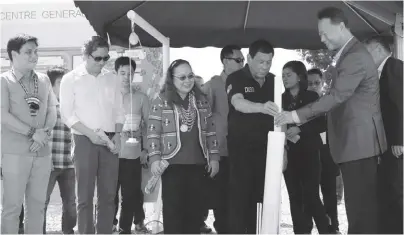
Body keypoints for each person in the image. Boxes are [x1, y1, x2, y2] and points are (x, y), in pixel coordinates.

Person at [275, 7, 387, 234]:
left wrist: (295, 115)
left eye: (325, 33)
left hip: (359, 144)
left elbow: (336, 96)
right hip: (355, 144)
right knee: (358, 210)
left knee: (360, 213)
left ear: (341, 27)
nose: (321, 38)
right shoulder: (349, 54)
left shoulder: (354, 56)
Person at [60, 36, 125, 234]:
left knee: (108, 195)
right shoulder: (70, 79)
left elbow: (120, 110)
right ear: (85, 56)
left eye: (106, 58)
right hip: (83, 140)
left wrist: (118, 134)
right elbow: (67, 115)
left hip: (110, 139)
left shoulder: (112, 79)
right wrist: (90, 134)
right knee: (85, 197)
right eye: (97, 58)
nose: (102, 62)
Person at [147, 59, 220, 234]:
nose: (187, 80)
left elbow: (211, 131)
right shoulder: (161, 100)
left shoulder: (202, 101)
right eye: (182, 77)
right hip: (171, 166)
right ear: (171, 79)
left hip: (198, 165)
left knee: (194, 215)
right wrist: (155, 159)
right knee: (173, 214)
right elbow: (152, 132)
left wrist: (215, 158)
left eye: (190, 76)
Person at [1, 34, 58, 234]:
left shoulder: (43, 80)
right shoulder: (4, 81)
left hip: (41, 153)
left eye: (36, 52)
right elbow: (3, 115)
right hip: (14, 153)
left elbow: (52, 110)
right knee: (12, 208)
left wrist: (44, 134)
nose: (34, 56)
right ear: (14, 54)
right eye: (28, 52)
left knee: (37, 207)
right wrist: (33, 133)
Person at [225, 39, 279, 234]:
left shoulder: (275, 81)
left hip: (268, 153)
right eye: (260, 61)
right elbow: (238, 103)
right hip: (241, 151)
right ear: (249, 58)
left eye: (269, 62)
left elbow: (281, 118)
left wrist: (284, 153)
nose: (265, 67)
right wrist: (262, 107)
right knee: (240, 199)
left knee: (265, 200)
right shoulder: (236, 78)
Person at [198, 45, 244, 234]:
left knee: (238, 196)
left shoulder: (244, 82)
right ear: (226, 61)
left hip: (241, 150)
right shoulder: (214, 84)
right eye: (239, 60)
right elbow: (201, 114)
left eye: (243, 60)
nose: (243, 64)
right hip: (221, 151)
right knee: (220, 196)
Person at [282, 61, 330, 234]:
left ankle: (327, 230)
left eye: (288, 75)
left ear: (299, 76)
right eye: (283, 75)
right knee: (294, 196)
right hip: (290, 154)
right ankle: (300, 231)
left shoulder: (311, 97)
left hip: (310, 152)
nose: (284, 78)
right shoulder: (280, 98)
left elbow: (321, 124)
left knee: (311, 195)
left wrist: (299, 129)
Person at [364, 35, 403, 234]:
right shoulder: (383, 71)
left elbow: (400, 104)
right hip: (384, 141)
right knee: (387, 186)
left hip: (394, 141)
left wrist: (399, 139)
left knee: (395, 187)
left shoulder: (394, 67)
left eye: (367, 52)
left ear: (378, 50)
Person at [112, 56, 150, 234]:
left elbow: (150, 126)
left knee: (130, 196)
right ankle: (107, 225)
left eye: (130, 73)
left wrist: (146, 149)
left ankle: (124, 229)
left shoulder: (141, 98)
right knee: (109, 195)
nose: (126, 76)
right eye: (122, 73)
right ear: (116, 73)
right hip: (109, 153)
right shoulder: (107, 97)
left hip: (133, 155)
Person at [43, 66, 77, 234]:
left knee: (71, 204)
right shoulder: (44, 108)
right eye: (59, 83)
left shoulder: (72, 107)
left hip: (69, 165)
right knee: (42, 202)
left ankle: (68, 231)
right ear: (50, 85)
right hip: (48, 164)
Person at [307, 68, 340, 232]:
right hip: (309, 156)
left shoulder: (330, 104)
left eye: (316, 83)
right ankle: (320, 226)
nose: (313, 86)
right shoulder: (302, 106)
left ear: (323, 83)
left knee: (330, 196)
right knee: (310, 195)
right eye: (309, 83)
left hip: (328, 155)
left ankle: (333, 227)